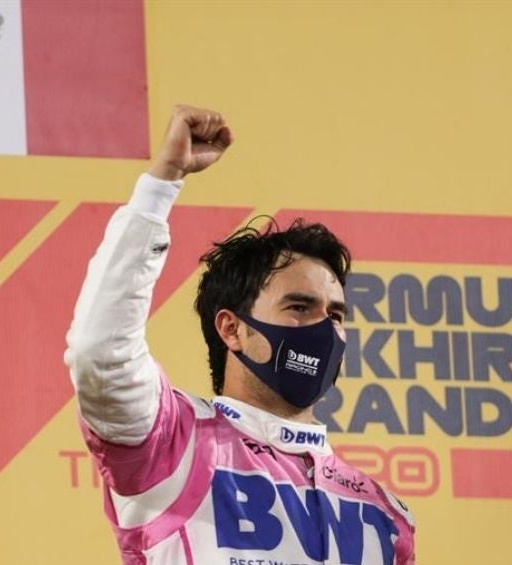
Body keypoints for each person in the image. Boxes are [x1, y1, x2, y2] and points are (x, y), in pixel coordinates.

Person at [64, 105, 416, 564]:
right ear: (231, 329)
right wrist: (161, 184)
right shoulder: (173, 442)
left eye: (335, 314)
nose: (324, 328)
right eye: (299, 307)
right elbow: (99, 352)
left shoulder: (385, 516)